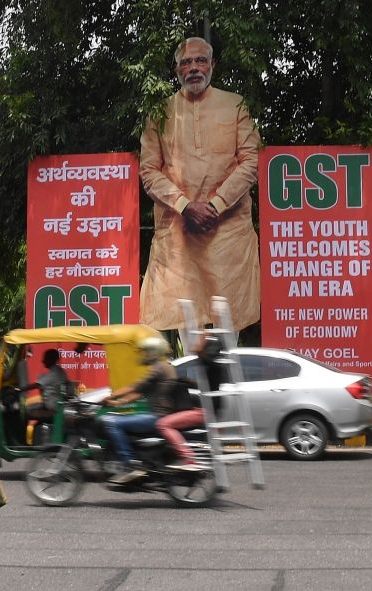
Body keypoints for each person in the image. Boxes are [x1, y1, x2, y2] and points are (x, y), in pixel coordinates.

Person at [138, 36, 261, 331]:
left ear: (213, 65)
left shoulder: (235, 105)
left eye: (200, 60)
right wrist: (185, 206)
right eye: (186, 62)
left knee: (228, 329)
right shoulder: (159, 112)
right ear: (177, 69)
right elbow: (149, 171)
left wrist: (215, 206)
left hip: (227, 234)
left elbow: (251, 162)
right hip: (179, 234)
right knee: (186, 328)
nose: (194, 68)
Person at [101, 335, 177, 485]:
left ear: (154, 352)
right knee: (120, 418)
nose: (143, 355)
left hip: (157, 416)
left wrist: (110, 397)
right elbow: (138, 393)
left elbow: (134, 387)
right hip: (158, 414)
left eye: (146, 351)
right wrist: (117, 404)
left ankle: (129, 464)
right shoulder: (163, 367)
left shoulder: (160, 367)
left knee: (112, 422)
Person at [156, 331, 224, 472]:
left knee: (163, 424)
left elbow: (197, 351)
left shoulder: (210, 364)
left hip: (204, 411)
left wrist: (204, 333)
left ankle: (188, 458)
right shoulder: (215, 367)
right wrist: (186, 382)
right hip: (207, 410)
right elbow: (204, 384)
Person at [23, 348, 69, 423]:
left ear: (51, 359)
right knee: (30, 407)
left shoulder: (53, 374)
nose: (43, 361)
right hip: (56, 404)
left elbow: (36, 385)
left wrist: (19, 389)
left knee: (25, 411)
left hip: (52, 406)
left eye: (45, 358)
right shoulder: (60, 371)